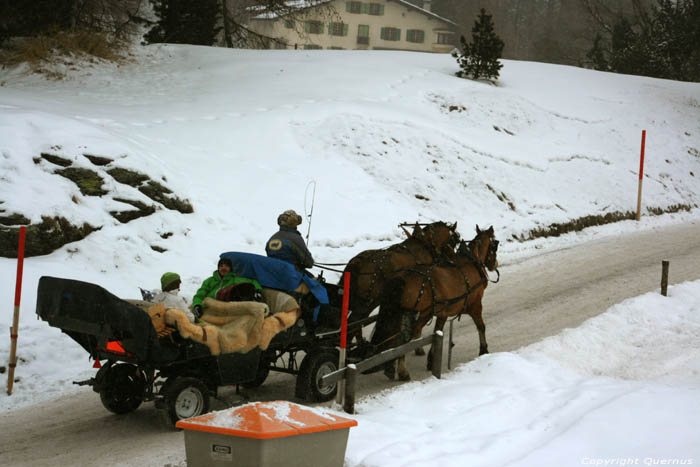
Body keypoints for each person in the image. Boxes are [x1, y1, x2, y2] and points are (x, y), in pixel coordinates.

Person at [192, 257, 263, 320]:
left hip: (225, 308)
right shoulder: (209, 281)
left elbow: (253, 282)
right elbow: (200, 295)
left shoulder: (235, 279)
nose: (223, 268)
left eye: (226, 266)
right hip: (209, 308)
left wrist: (258, 290)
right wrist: (197, 305)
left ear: (230, 268)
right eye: (221, 266)